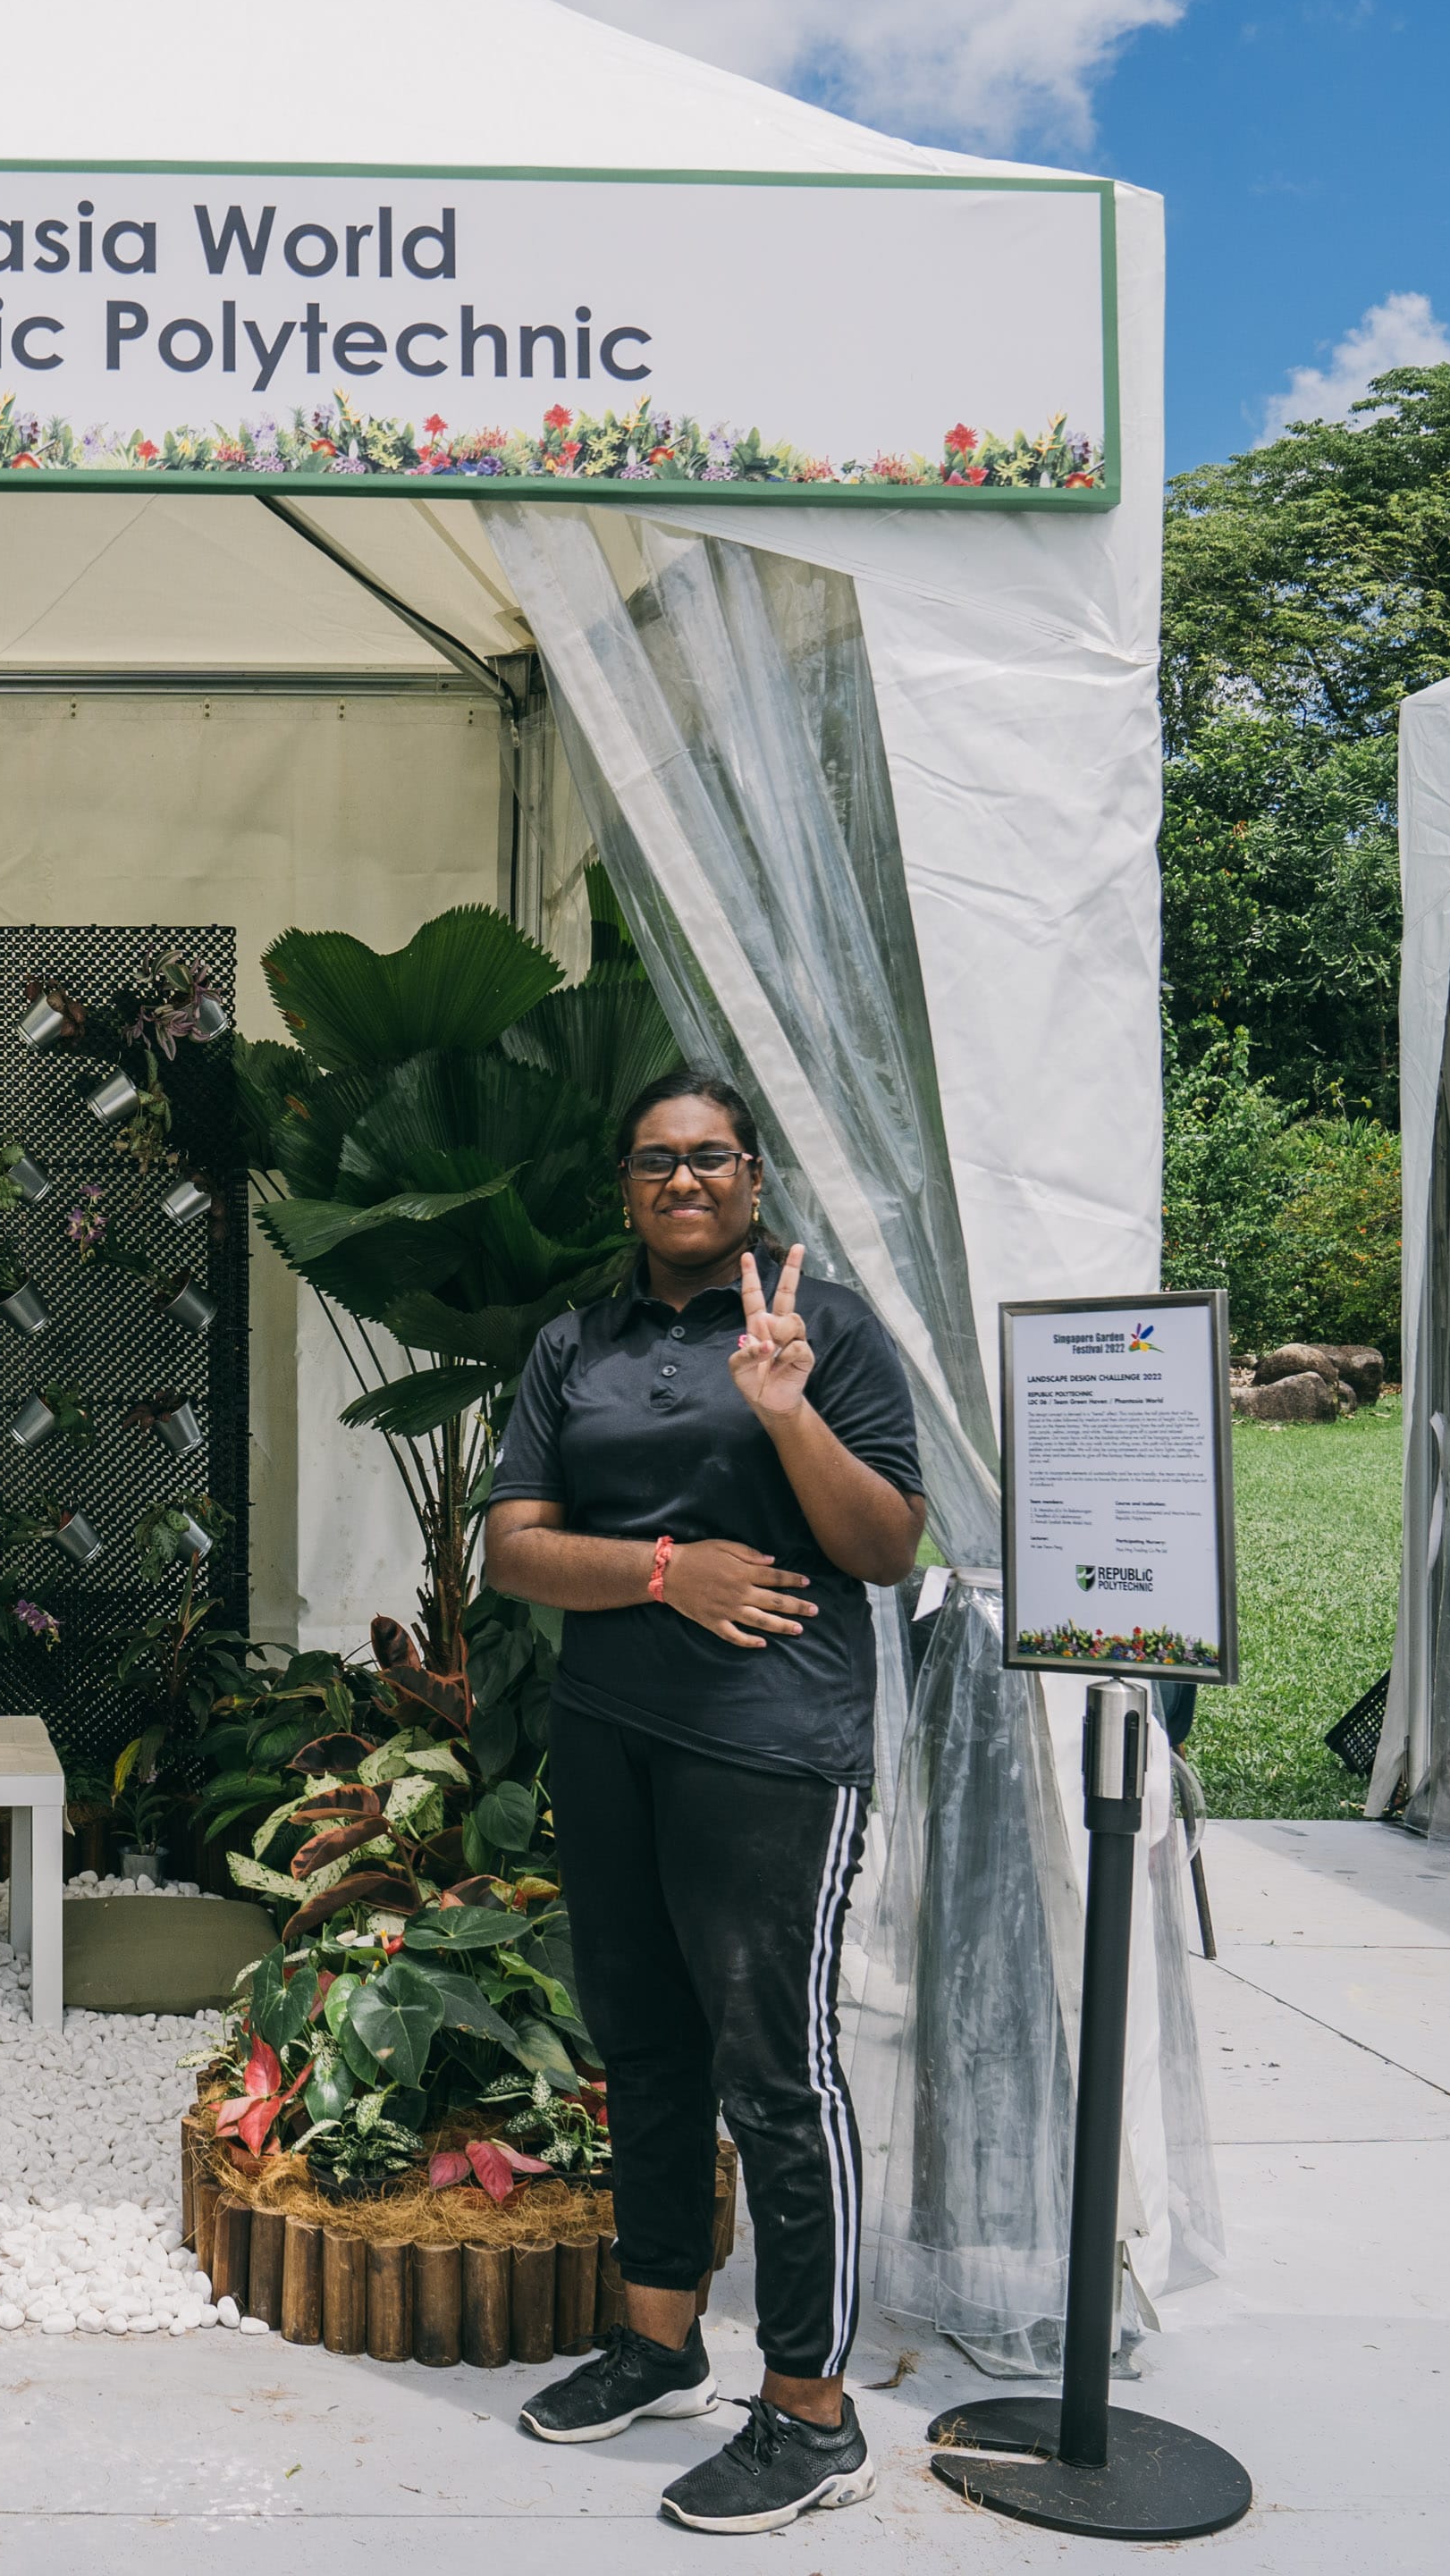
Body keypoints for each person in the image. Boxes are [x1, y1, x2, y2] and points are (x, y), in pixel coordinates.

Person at [481, 1069, 927, 2538]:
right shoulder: (573, 1348)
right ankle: (661, 2343)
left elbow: (884, 1546)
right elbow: (519, 1557)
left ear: (751, 1177)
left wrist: (788, 1412)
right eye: (657, 1160)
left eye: (711, 1157)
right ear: (627, 1185)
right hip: (610, 1737)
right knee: (644, 2046)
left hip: (768, 1748)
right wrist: (669, 1569)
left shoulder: (826, 1326)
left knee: (774, 2069)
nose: (684, 1180)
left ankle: (812, 2413)